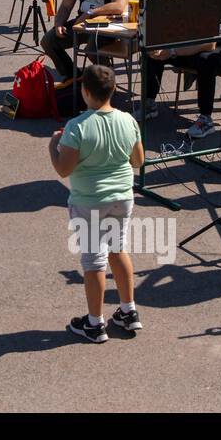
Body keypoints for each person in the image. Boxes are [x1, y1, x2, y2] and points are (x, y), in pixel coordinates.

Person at [48, 65, 146, 343]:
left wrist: (53, 147)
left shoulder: (76, 127)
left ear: (85, 91)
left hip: (89, 201)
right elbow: (138, 161)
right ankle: (128, 311)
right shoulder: (128, 120)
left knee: (93, 262)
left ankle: (94, 323)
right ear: (113, 90)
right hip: (122, 198)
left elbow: (63, 169)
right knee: (118, 249)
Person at [137, 0, 221, 138]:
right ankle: (149, 102)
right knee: (150, 53)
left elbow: (208, 44)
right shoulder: (165, 4)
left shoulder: (204, 5)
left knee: (206, 60)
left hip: (218, 53)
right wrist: (154, 48)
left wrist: (171, 51)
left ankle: (205, 119)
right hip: (185, 50)